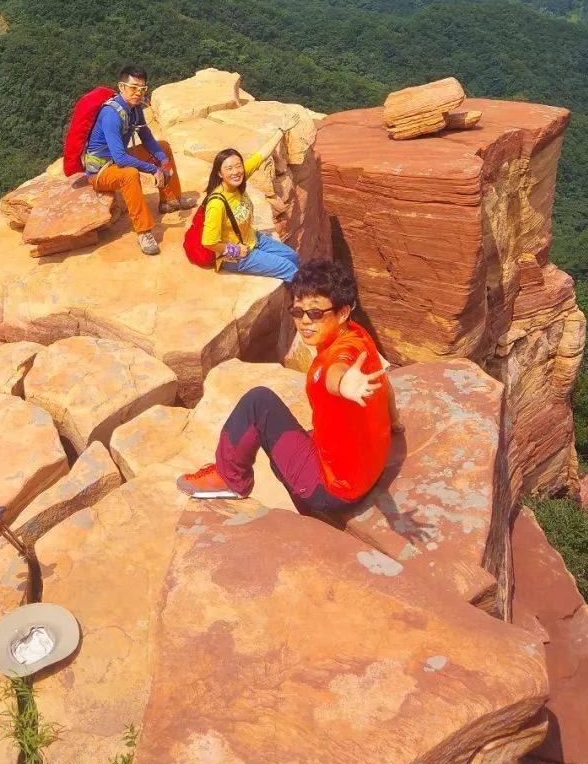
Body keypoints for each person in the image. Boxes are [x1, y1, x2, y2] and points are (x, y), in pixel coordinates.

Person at [177, 259, 402, 517]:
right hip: (365, 471)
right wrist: (394, 423)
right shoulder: (358, 335)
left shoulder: (340, 356)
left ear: (343, 312)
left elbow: (336, 372)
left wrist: (344, 383)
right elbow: (386, 387)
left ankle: (230, 479)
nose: (305, 322)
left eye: (316, 313)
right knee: (281, 445)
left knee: (258, 403)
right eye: (298, 312)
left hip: (335, 488)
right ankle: (310, 507)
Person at [83, 65, 194, 256]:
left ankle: (170, 200)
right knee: (130, 174)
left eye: (142, 88)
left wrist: (164, 163)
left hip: (115, 161)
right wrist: (153, 168)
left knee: (163, 147)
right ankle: (144, 232)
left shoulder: (135, 109)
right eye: (133, 87)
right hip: (100, 172)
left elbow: (148, 139)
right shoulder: (111, 114)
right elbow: (120, 157)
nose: (138, 93)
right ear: (122, 87)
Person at [200, 131, 299, 281]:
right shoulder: (217, 203)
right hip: (235, 257)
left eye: (238, 166)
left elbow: (261, 155)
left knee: (292, 256)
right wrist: (235, 250)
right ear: (220, 174)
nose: (236, 172)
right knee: (290, 269)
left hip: (252, 238)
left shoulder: (239, 179)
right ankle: (300, 301)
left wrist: (281, 130)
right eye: (229, 169)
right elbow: (208, 241)